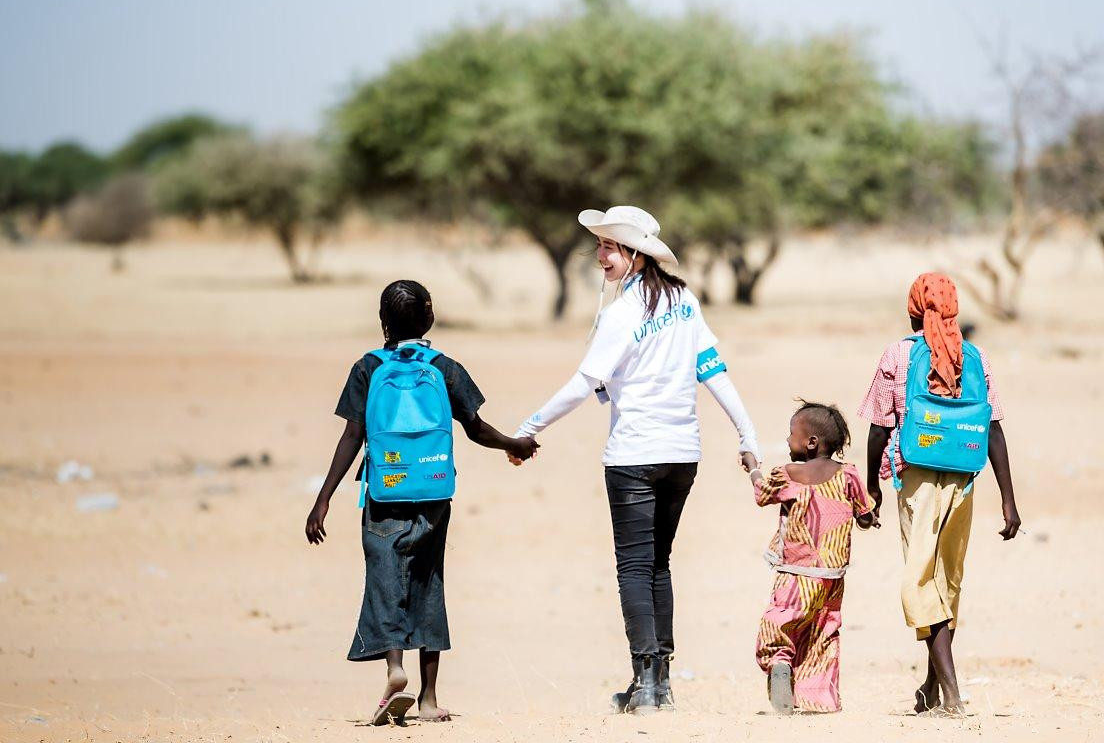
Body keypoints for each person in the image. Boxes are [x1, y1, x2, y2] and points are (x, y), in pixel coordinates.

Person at [512, 205, 761, 714]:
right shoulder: (684, 300)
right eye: (599, 245)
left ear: (636, 254)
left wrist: (528, 428)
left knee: (634, 567)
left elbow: (585, 384)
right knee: (658, 565)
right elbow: (712, 369)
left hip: (634, 456)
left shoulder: (623, 313)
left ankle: (647, 684)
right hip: (682, 457)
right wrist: (746, 433)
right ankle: (658, 682)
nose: (600, 255)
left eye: (610, 247)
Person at [306, 280, 539, 726]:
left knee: (386, 578)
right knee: (429, 580)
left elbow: (352, 436)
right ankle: (429, 698)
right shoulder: (443, 366)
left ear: (381, 322)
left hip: (383, 491)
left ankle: (394, 668)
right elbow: (476, 427)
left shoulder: (368, 368)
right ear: (430, 318)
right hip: (433, 491)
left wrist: (323, 499)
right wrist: (516, 444)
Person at [859, 272, 1021, 716]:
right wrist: (1008, 498)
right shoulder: (973, 356)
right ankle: (932, 687)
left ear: (912, 309)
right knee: (946, 579)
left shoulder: (898, 354)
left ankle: (951, 694)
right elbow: (993, 427)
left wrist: (872, 483)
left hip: (915, 480)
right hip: (965, 478)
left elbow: (878, 427)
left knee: (919, 581)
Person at [745, 401, 875, 714]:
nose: (788, 440)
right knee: (823, 632)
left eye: (792, 434)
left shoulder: (789, 474)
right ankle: (819, 699)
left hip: (795, 573)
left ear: (811, 442)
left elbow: (762, 494)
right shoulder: (849, 475)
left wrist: (753, 468)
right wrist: (865, 517)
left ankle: (779, 662)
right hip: (832, 577)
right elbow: (866, 516)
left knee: (781, 623)